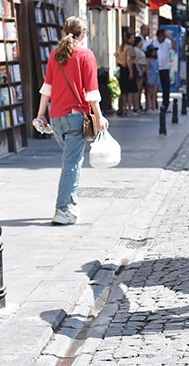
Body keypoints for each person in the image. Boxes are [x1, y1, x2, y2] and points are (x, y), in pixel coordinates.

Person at [34, 16, 109, 225]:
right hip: (75, 117)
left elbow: (46, 89)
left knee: (71, 162)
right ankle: (62, 209)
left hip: (56, 118)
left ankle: (71, 202)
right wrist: (100, 117)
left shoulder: (55, 55)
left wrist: (41, 115)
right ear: (83, 34)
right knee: (72, 165)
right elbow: (92, 92)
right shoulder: (86, 55)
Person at [116, 30, 138, 116]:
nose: (133, 40)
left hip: (122, 69)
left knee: (123, 90)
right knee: (129, 91)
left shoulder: (121, 47)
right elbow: (129, 60)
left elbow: (116, 56)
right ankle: (129, 109)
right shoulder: (129, 48)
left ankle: (124, 108)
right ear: (129, 39)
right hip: (128, 69)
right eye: (132, 38)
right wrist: (131, 72)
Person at [151, 29, 173, 109]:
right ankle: (154, 104)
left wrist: (170, 38)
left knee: (166, 87)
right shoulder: (153, 42)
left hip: (165, 68)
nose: (162, 38)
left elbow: (173, 47)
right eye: (161, 36)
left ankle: (165, 104)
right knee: (154, 87)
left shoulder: (167, 42)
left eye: (164, 36)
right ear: (158, 36)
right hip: (156, 68)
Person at [144, 40, 160, 111]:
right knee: (149, 93)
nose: (155, 52)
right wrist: (148, 79)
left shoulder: (156, 59)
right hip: (151, 75)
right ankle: (148, 107)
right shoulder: (148, 60)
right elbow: (147, 69)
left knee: (154, 93)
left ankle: (154, 107)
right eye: (153, 51)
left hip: (156, 76)